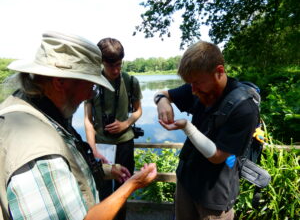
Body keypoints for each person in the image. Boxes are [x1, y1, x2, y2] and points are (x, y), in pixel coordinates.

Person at [0, 31, 157, 220]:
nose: (91, 94)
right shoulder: (39, 152)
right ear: (59, 82)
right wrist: (132, 184)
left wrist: (107, 170)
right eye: (90, 84)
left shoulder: (33, 112)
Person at [154, 41, 259, 220]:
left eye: (197, 83)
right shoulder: (197, 86)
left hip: (214, 195)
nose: (193, 91)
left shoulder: (244, 108)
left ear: (219, 71)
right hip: (187, 181)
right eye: (190, 84)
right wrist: (162, 102)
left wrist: (187, 127)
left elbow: (217, 157)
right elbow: (162, 93)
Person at [84, 38, 142, 219]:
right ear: (101, 62)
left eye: (119, 65)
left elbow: (138, 111)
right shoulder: (91, 83)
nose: (116, 70)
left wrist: (125, 124)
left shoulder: (130, 81)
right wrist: (93, 150)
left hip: (124, 144)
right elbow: (87, 120)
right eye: (111, 66)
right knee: (102, 193)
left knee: (123, 191)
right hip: (101, 148)